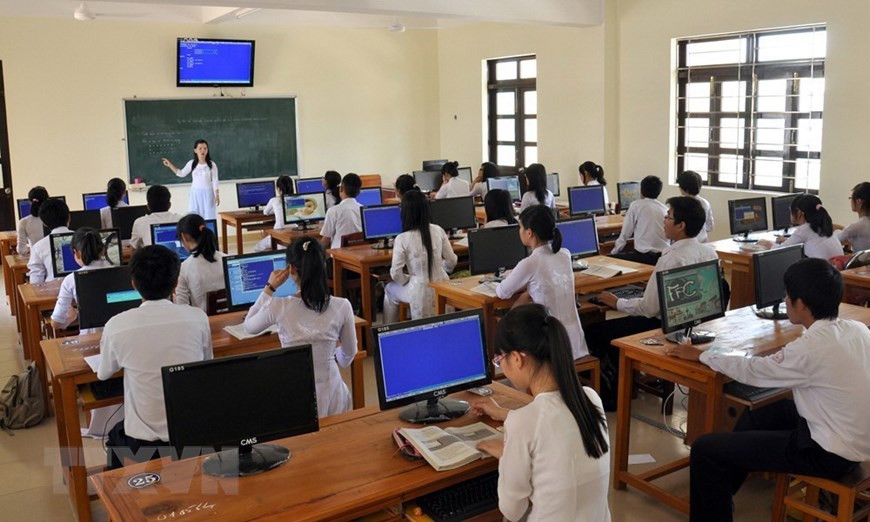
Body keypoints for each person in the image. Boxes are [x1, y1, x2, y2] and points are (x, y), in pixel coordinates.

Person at [665, 258, 870, 522]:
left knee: (705, 449)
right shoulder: (856, 330)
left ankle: (714, 504)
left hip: (829, 454)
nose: (784, 300)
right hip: (857, 437)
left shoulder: (809, 348)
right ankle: (720, 495)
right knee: (760, 413)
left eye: (787, 295)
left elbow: (754, 372)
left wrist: (700, 355)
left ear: (801, 304)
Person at [471, 304, 611, 522]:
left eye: (500, 360)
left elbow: (512, 510)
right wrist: (504, 414)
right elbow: (554, 422)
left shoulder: (524, 423)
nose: (501, 366)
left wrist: (508, 457)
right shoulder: (591, 399)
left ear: (517, 358)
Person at [585, 196, 719, 409]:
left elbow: (648, 308)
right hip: (693, 325)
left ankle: (613, 396)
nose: (664, 220)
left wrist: (617, 301)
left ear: (680, 225)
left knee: (595, 332)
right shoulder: (709, 251)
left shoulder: (670, 259)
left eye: (668, 217)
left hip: (661, 327)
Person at [99, 245, 212, 469]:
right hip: (192, 433)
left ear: (133, 284)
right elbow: (206, 365)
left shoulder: (117, 325)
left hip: (142, 442)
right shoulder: (198, 318)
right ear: (176, 282)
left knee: (115, 434)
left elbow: (103, 374)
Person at [243, 237, 357, 417]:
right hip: (332, 393)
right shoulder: (342, 306)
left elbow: (248, 326)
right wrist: (334, 356)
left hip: (294, 390)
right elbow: (349, 355)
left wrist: (269, 288)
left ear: (292, 269)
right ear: (323, 265)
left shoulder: (278, 306)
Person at [495, 205, 588, 360]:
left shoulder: (530, 262)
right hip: (575, 341)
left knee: (506, 323)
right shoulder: (565, 254)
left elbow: (502, 292)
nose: (519, 231)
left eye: (520, 227)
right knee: (523, 303)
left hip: (551, 346)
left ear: (529, 232)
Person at [384, 190, 457, 322]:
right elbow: (452, 260)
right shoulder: (438, 230)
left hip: (417, 288)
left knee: (389, 289)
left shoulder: (402, 238)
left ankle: (386, 331)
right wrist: (442, 269)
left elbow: (395, 273)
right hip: (443, 285)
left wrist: (408, 279)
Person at [50, 227, 116, 333]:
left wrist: (74, 316)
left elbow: (56, 323)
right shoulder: (120, 272)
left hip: (90, 339)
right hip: (119, 335)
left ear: (76, 253)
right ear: (103, 249)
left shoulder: (71, 280)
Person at [759, 194, 842, 259]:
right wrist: (787, 241)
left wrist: (768, 243)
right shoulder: (822, 226)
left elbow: (781, 250)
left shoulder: (804, 229)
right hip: (833, 274)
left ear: (799, 213)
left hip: (818, 274)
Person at [609, 175, 669, 266]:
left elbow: (625, 233)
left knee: (611, 261)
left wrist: (614, 252)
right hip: (663, 257)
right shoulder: (665, 209)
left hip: (644, 257)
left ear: (641, 191)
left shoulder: (636, 205)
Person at [174, 214, 225, 312]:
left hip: (205, 322)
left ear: (183, 237)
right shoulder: (227, 259)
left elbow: (183, 308)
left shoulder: (184, 268)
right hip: (232, 320)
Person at [161, 139, 219, 219]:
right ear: (195, 150)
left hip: (208, 194)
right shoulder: (191, 163)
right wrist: (170, 165)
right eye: (200, 148)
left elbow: (215, 181)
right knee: (194, 217)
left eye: (205, 148)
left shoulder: (212, 165)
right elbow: (181, 173)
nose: (203, 151)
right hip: (195, 194)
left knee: (209, 217)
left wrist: (217, 196)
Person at [27, 198, 71, 283]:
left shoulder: (38, 247)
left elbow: (36, 281)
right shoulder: (85, 238)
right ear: (69, 217)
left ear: (44, 223)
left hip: (54, 293)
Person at [129, 185, 183, 251]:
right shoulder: (182, 220)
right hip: (179, 260)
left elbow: (134, 249)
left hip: (153, 260)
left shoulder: (140, 223)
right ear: (169, 205)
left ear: (148, 206)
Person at [320, 173, 363, 250]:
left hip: (338, 256)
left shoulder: (333, 211)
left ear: (341, 188)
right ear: (359, 192)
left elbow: (326, 240)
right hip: (359, 253)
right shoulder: (364, 209)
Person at [253, 175, 293, 252]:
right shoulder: (297, 199)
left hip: (278, 234)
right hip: (294, 231)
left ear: (278, 189)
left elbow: (266, 212)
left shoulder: (274, 200)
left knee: (257, 248)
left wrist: (275, 210)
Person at [676, 170, 713, 242]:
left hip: (685, 243)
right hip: (703, 241)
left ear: (685, 188)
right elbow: (710, 227)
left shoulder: (679, 204)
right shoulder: (705, 203)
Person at [836, 182, 870, 252]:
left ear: (859, 202)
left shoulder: (857, 226)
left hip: (860, 262)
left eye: (851, 198)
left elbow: (834, 240)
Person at [16, 186, 48, 256]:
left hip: (36, 259)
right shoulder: (55, 219)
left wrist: (31, 248)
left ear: (30, 201)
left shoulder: (24, 222)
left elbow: (21, 250)